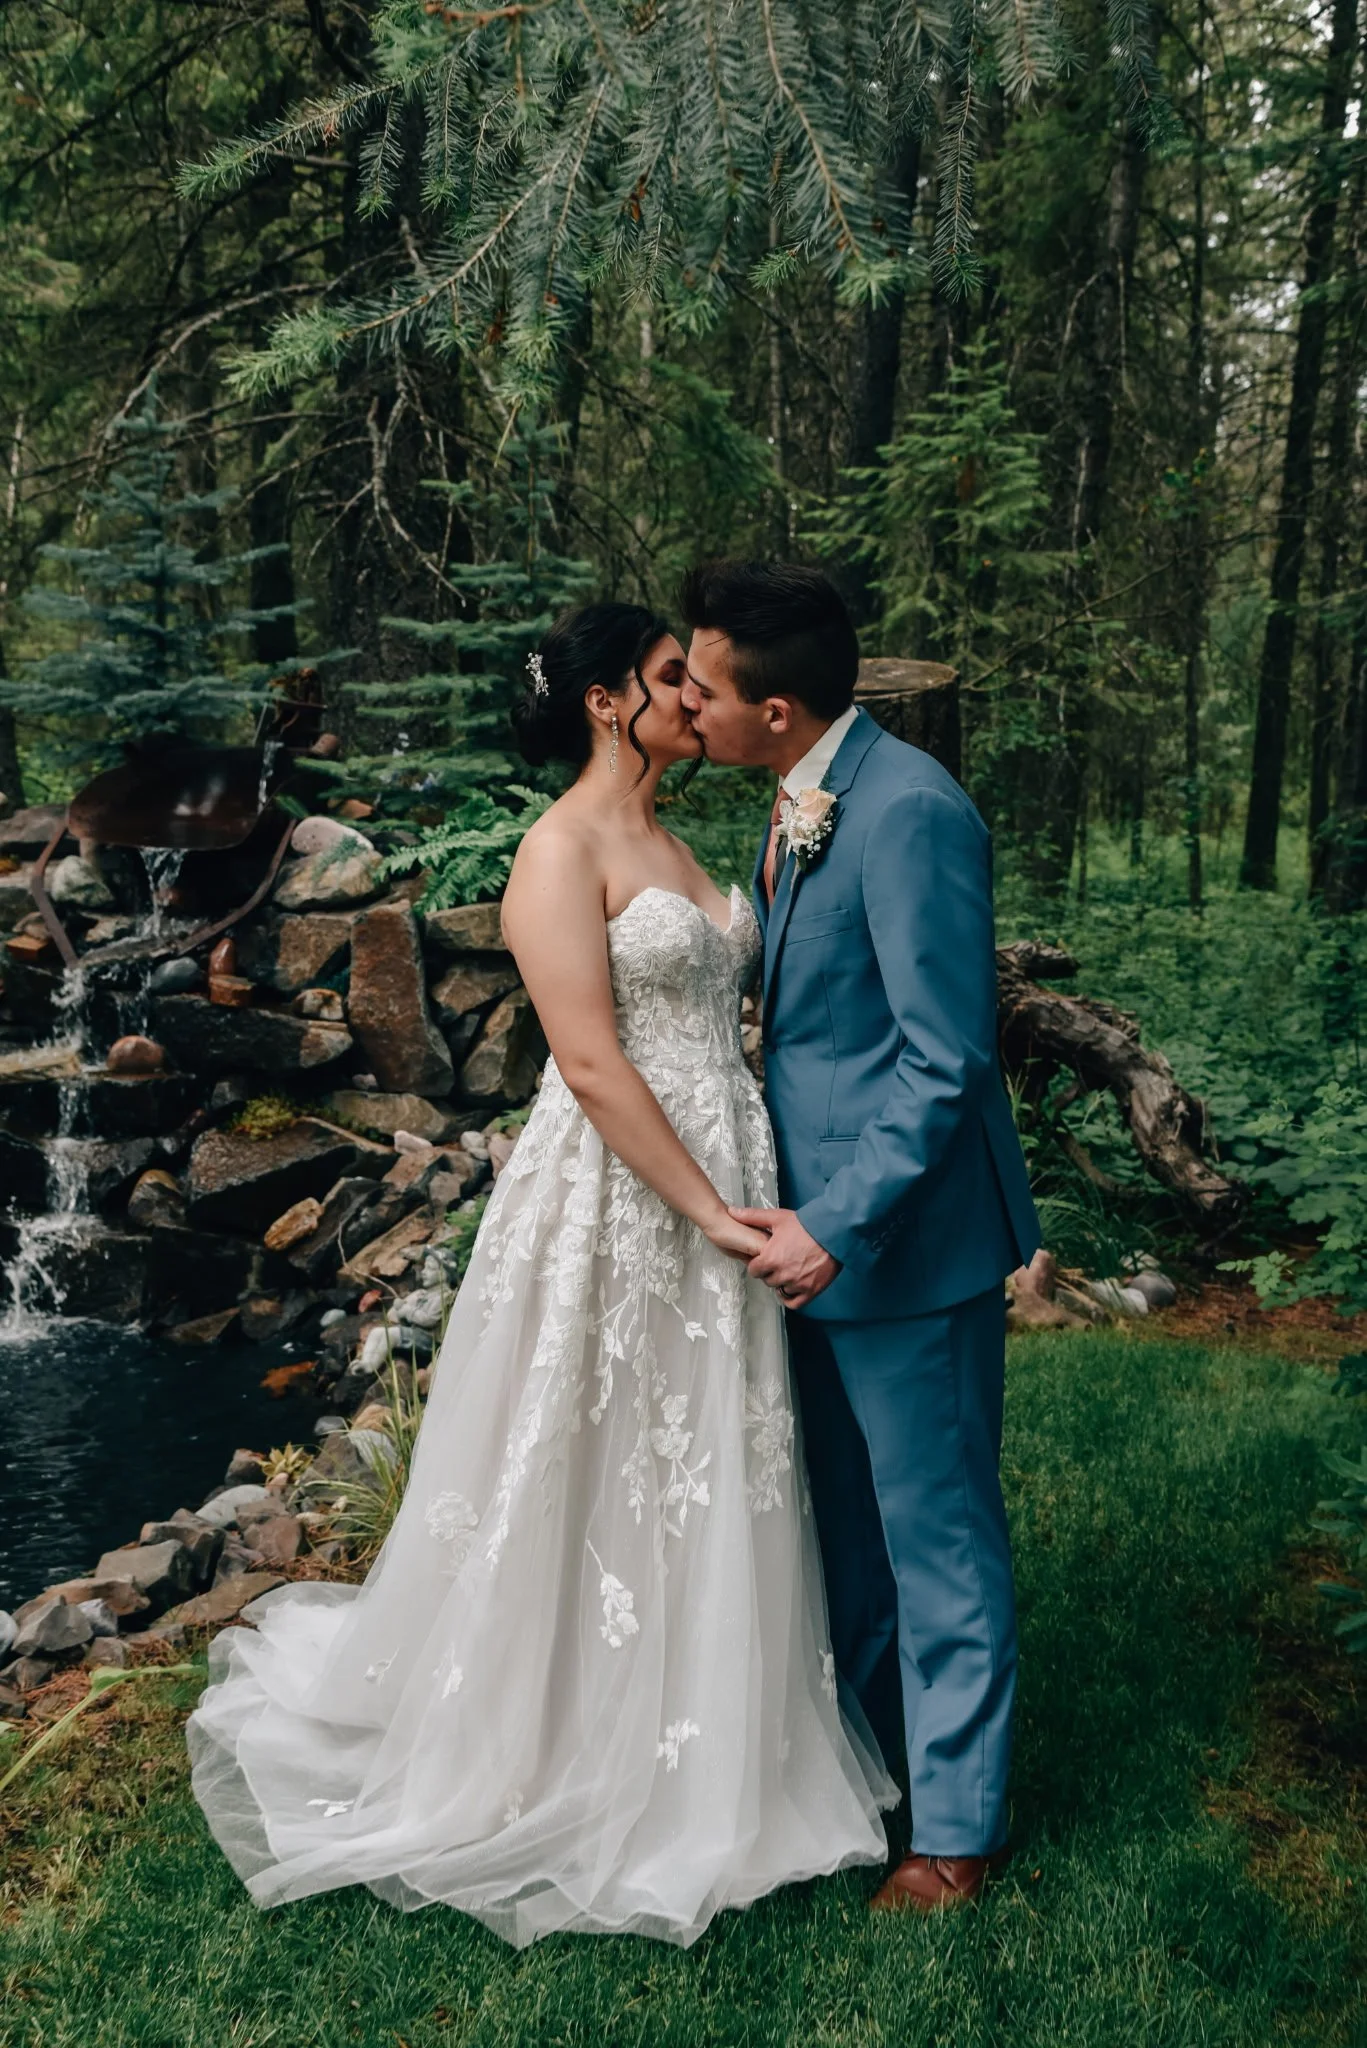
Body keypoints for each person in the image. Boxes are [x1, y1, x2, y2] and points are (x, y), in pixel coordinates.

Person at [186, 601, 894, 1949]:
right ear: (603, 700)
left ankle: (713, 1729)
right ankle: (553, 1742)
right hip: (625, 1195)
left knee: (702, 1454)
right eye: (671, 677)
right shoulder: (554, 850)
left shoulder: (682, 841)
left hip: (726, 1161)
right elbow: (587, 1062)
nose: (698, 696)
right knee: (590, 1449)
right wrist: (711, 1214)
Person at [678, 560, 1042, 1914]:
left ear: (775, 713)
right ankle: (872, 1769)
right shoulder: (803, 797)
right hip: (808, 1236)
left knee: (936, 1536)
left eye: (703, 688)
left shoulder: (907, 813)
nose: (687, 705)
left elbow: (944, 1061)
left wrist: (835, 1223)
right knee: (846, 1532)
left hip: (900, 1241)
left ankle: (954, 1835)